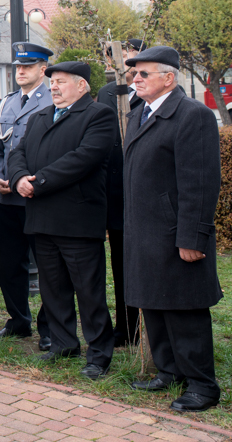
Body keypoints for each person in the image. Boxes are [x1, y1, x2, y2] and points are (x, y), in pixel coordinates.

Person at [123, 46, 223, 412]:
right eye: (134, 74)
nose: (136, 79)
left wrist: (193, 237)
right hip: (144, 232)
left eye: (143, 74)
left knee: (185, 310)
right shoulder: (139, 114)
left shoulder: (192, 115)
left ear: (169, 78)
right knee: (153, 304)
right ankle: (169, 371)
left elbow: (200, 183)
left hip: (176, 234)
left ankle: (202, 386)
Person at [8, 61, 117, 380]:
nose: (53, 87)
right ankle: (63, 343)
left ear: (82, 86)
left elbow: (83, 159)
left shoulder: (99, 115)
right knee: (52, 288)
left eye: (61, 82)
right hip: (41, 218)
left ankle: (98, 354)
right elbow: (18, 152)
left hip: (78, 220)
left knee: (89, 291)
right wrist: (17, 179)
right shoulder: (40, 116)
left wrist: (37, 182)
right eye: (52, 82)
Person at [0, 42, 54, 351]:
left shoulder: (53, 100)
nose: (21, 71)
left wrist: (33, 181)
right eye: (17, 67)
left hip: (38, 196)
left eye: (28, 66)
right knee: (8, 265)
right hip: (9, 198)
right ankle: (18, 321)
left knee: (47, 266)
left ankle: (50, 327)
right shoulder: (8, 103)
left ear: (43, 69)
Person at [96, 38, 146, 347]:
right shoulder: (106, 93)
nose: (125, 66)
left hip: (142, 195)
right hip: (114, 195)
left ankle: (149, 326)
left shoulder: (149, 93)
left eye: (130, 59)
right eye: (117, 59)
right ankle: (126, 327)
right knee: (121, 264)